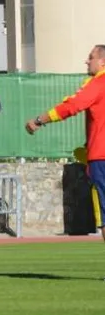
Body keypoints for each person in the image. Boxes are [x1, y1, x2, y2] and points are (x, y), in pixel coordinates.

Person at [26, 44, 105, 269]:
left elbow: (72, 106)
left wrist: (40, 120)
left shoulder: (97, 83)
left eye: (90, 57)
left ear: (102, 62)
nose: (86, 61)